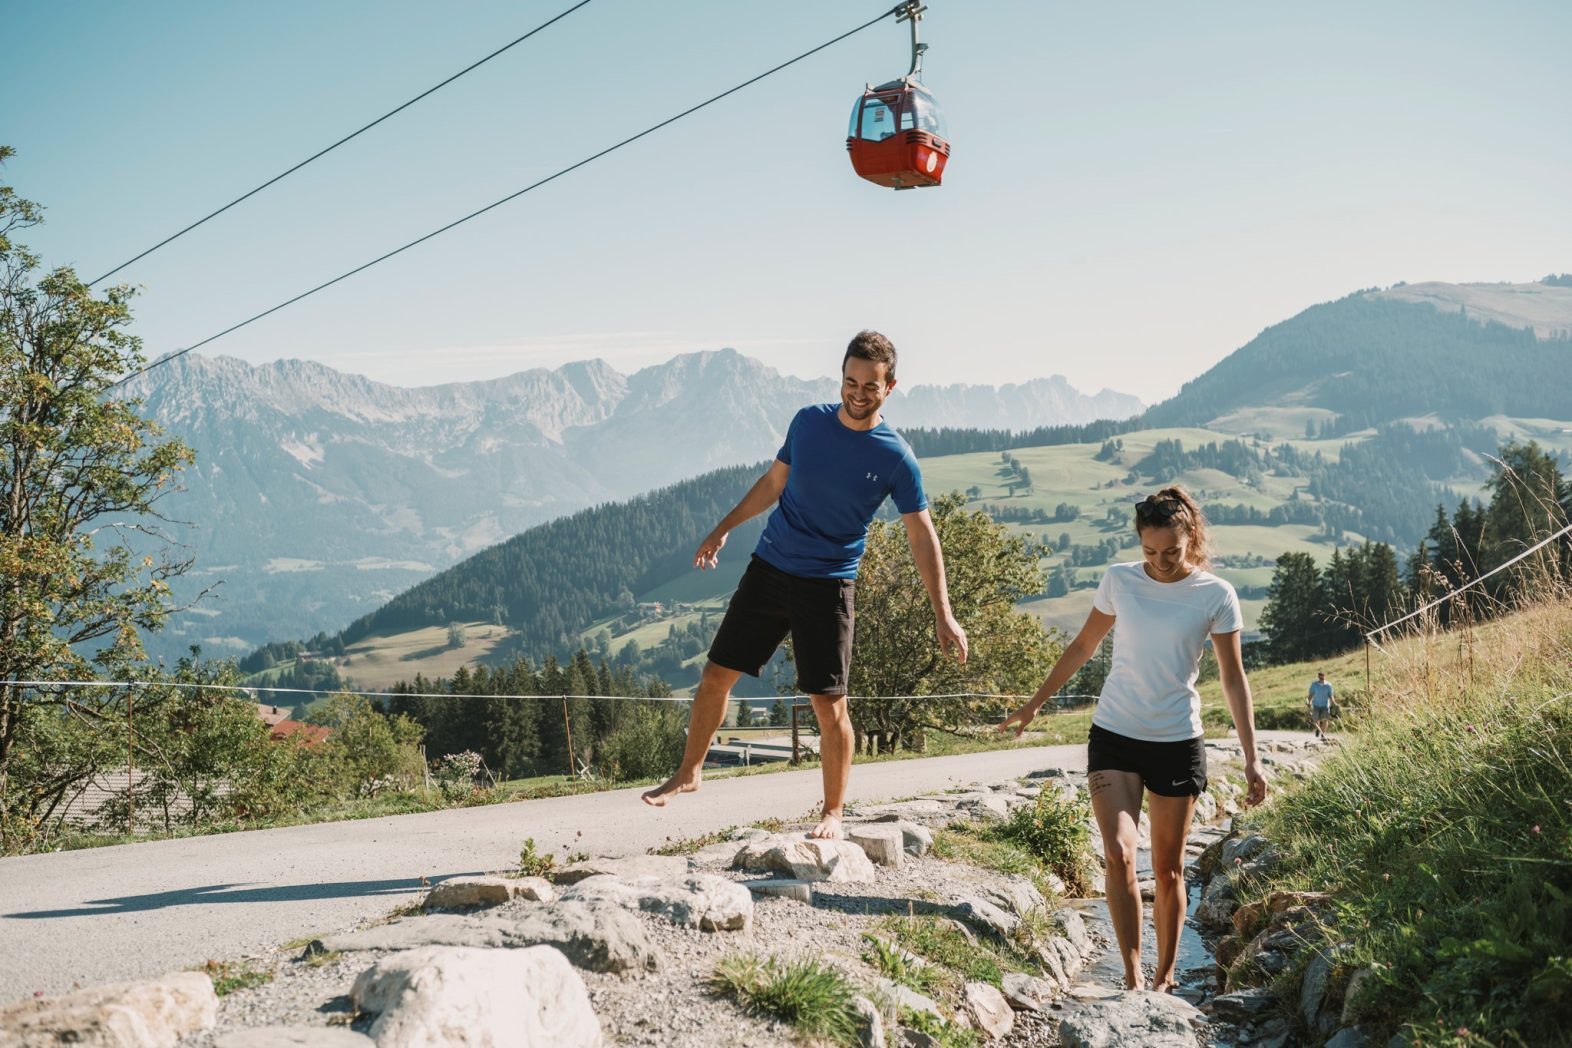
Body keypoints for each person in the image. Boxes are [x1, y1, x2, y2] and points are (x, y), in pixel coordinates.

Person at [642, 331, 969, 839]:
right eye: (850, 382)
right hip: (770, 570)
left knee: (829, 705)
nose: (858, 393)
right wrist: (722, 527)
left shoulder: (895, 457)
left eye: (870, 386)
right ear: (840, 377)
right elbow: (773, 483)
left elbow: (922, 535)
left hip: (829, 587)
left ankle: (833, 813)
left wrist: (943, 612)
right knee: (714, 676)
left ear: (891, 387)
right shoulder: (808, 422)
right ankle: (689, 771)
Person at [997, 487, 1268, 993]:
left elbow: (1234, 679)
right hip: (1114, 734)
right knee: (1120, 853)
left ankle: (1166, 977)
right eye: (1149, 551)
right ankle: (1131, 974)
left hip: (1177, 741)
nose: (1160, 562)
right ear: (1139, 543)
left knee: (1166, 870)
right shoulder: (1119, 581)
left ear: (1191, 539)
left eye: (1171, 551)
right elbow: (1082, 645)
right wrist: (1034, 703)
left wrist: (1252, 760)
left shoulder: (1215, 594)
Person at [1307, 671, 1334, 738]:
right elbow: (1311, 695)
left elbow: (1331, 695)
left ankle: (1323, 733)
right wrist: (1309, 702)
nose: (1321, 678)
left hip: (1325, 705)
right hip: (1316, 704)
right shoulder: (1314, 685)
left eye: (1323, 676)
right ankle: (1318, 729)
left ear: (1324, 676)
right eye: (1320, 676)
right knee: (1316, 720)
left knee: (1326, 719)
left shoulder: (1328, 685)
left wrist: (1333, 703)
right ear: (1318, 677)